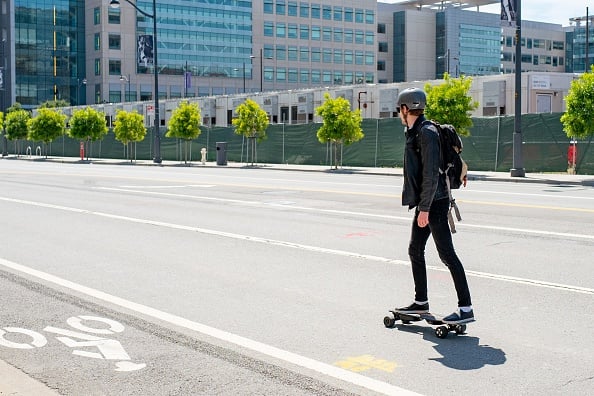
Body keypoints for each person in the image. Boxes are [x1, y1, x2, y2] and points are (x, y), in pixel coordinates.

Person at [394, 87, 474, 324]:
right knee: (415, 249)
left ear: (406, 108)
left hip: (434, 203)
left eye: (400, 109)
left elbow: (430, 173)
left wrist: (425, 209)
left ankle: (466, 308)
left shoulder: (426, 132)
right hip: (427, 201)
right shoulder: (416, 131)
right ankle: (421, 303)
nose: (399, 113)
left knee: (448, 255)